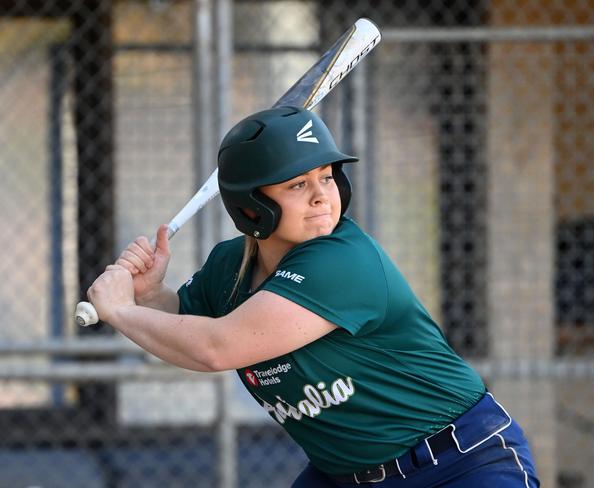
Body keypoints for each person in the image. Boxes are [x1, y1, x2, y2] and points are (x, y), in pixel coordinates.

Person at [87, 106, 540, 487]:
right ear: (251, 206)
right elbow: (182, 328)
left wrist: (121, 311)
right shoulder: (229, 267)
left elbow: (214, 348)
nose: (322, 196)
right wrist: (151, 296)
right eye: (297, 185)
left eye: (326, 177)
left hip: (457, 464)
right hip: (342, 473)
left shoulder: (342, 261)